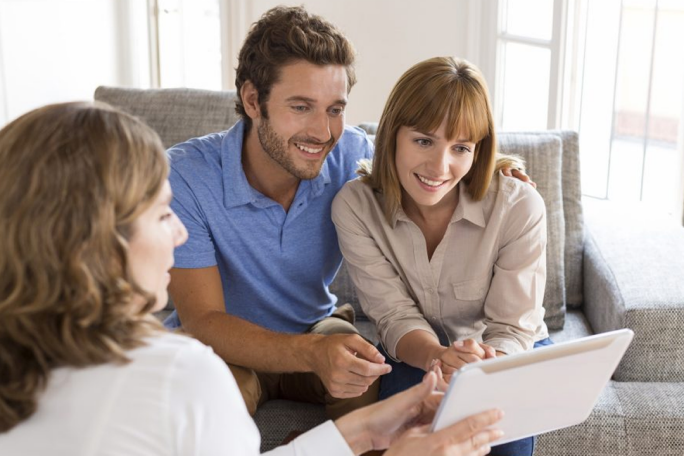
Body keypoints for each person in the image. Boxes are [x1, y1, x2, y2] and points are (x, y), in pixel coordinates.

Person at [0, 101, 505, 456]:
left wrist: (366, 431)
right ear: (94, 240)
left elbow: (407, 163)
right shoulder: (181, 377)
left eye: (334, 108)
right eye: (159, 215)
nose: (179, 234)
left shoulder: (30, 365)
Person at [163, 5, 532, 419]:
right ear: (252, 100)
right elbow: (204, 321)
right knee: (211, 399)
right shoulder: (186, 177)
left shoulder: (348, 155)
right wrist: (312, 353)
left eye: (335, 110)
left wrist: (495, 168)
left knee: (368, 371)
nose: (323, 133)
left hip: (316, 325)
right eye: (301, 107)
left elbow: (422, 165)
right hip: (224, 347)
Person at [331, 56, 551, 456]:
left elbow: (512, 328)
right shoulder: (355, 206)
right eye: (423, 140)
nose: (440, 166)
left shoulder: (519, 206)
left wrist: (479, 367)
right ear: (393, 134)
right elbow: (394, 315)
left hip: (503, 351)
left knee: (503, 441)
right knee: (403, 435)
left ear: (477, 150)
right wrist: (439, 357)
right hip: (418, 352)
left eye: (460, 147)